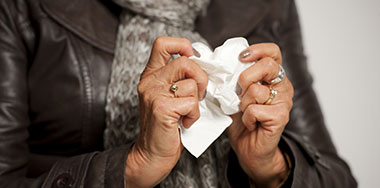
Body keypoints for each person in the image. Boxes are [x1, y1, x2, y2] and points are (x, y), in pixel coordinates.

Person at [0, 0, 357, 187]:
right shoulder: (23, 7)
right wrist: (132, 168)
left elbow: (339, 179)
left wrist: (270, 166)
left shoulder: (266, 5)